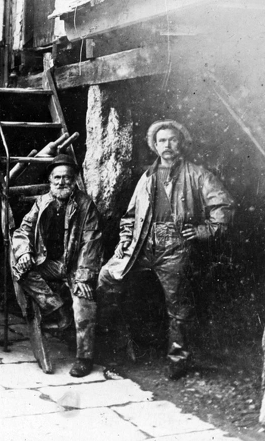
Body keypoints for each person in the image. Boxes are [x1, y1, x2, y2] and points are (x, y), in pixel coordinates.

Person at [97, 119, 235, 379]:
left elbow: (224, 207)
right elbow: (129, 215)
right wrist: (125, 238)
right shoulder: (147, 175)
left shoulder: (197, 174)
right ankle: (116, 348)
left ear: (180, 143)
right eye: (162, 140)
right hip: (141, 243)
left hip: (175, 246)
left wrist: (203, 230)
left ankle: (177, 362)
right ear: (154, 145)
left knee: (178, 305)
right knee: (107, 278)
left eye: (172, 139)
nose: (167, 145)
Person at [12, 154, 103, 378]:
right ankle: (58, 309)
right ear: (50, 181)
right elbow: (22, 231)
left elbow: (91, 242)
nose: (61, 183)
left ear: (74, 181)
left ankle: (84, 358)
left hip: (75, 266)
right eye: (57, 178)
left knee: (84, 301)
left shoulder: (85, 205)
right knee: (21, 271)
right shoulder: (42, 202)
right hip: (49, 263)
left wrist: (83, 277)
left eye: (67, 178)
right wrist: (24, 252)